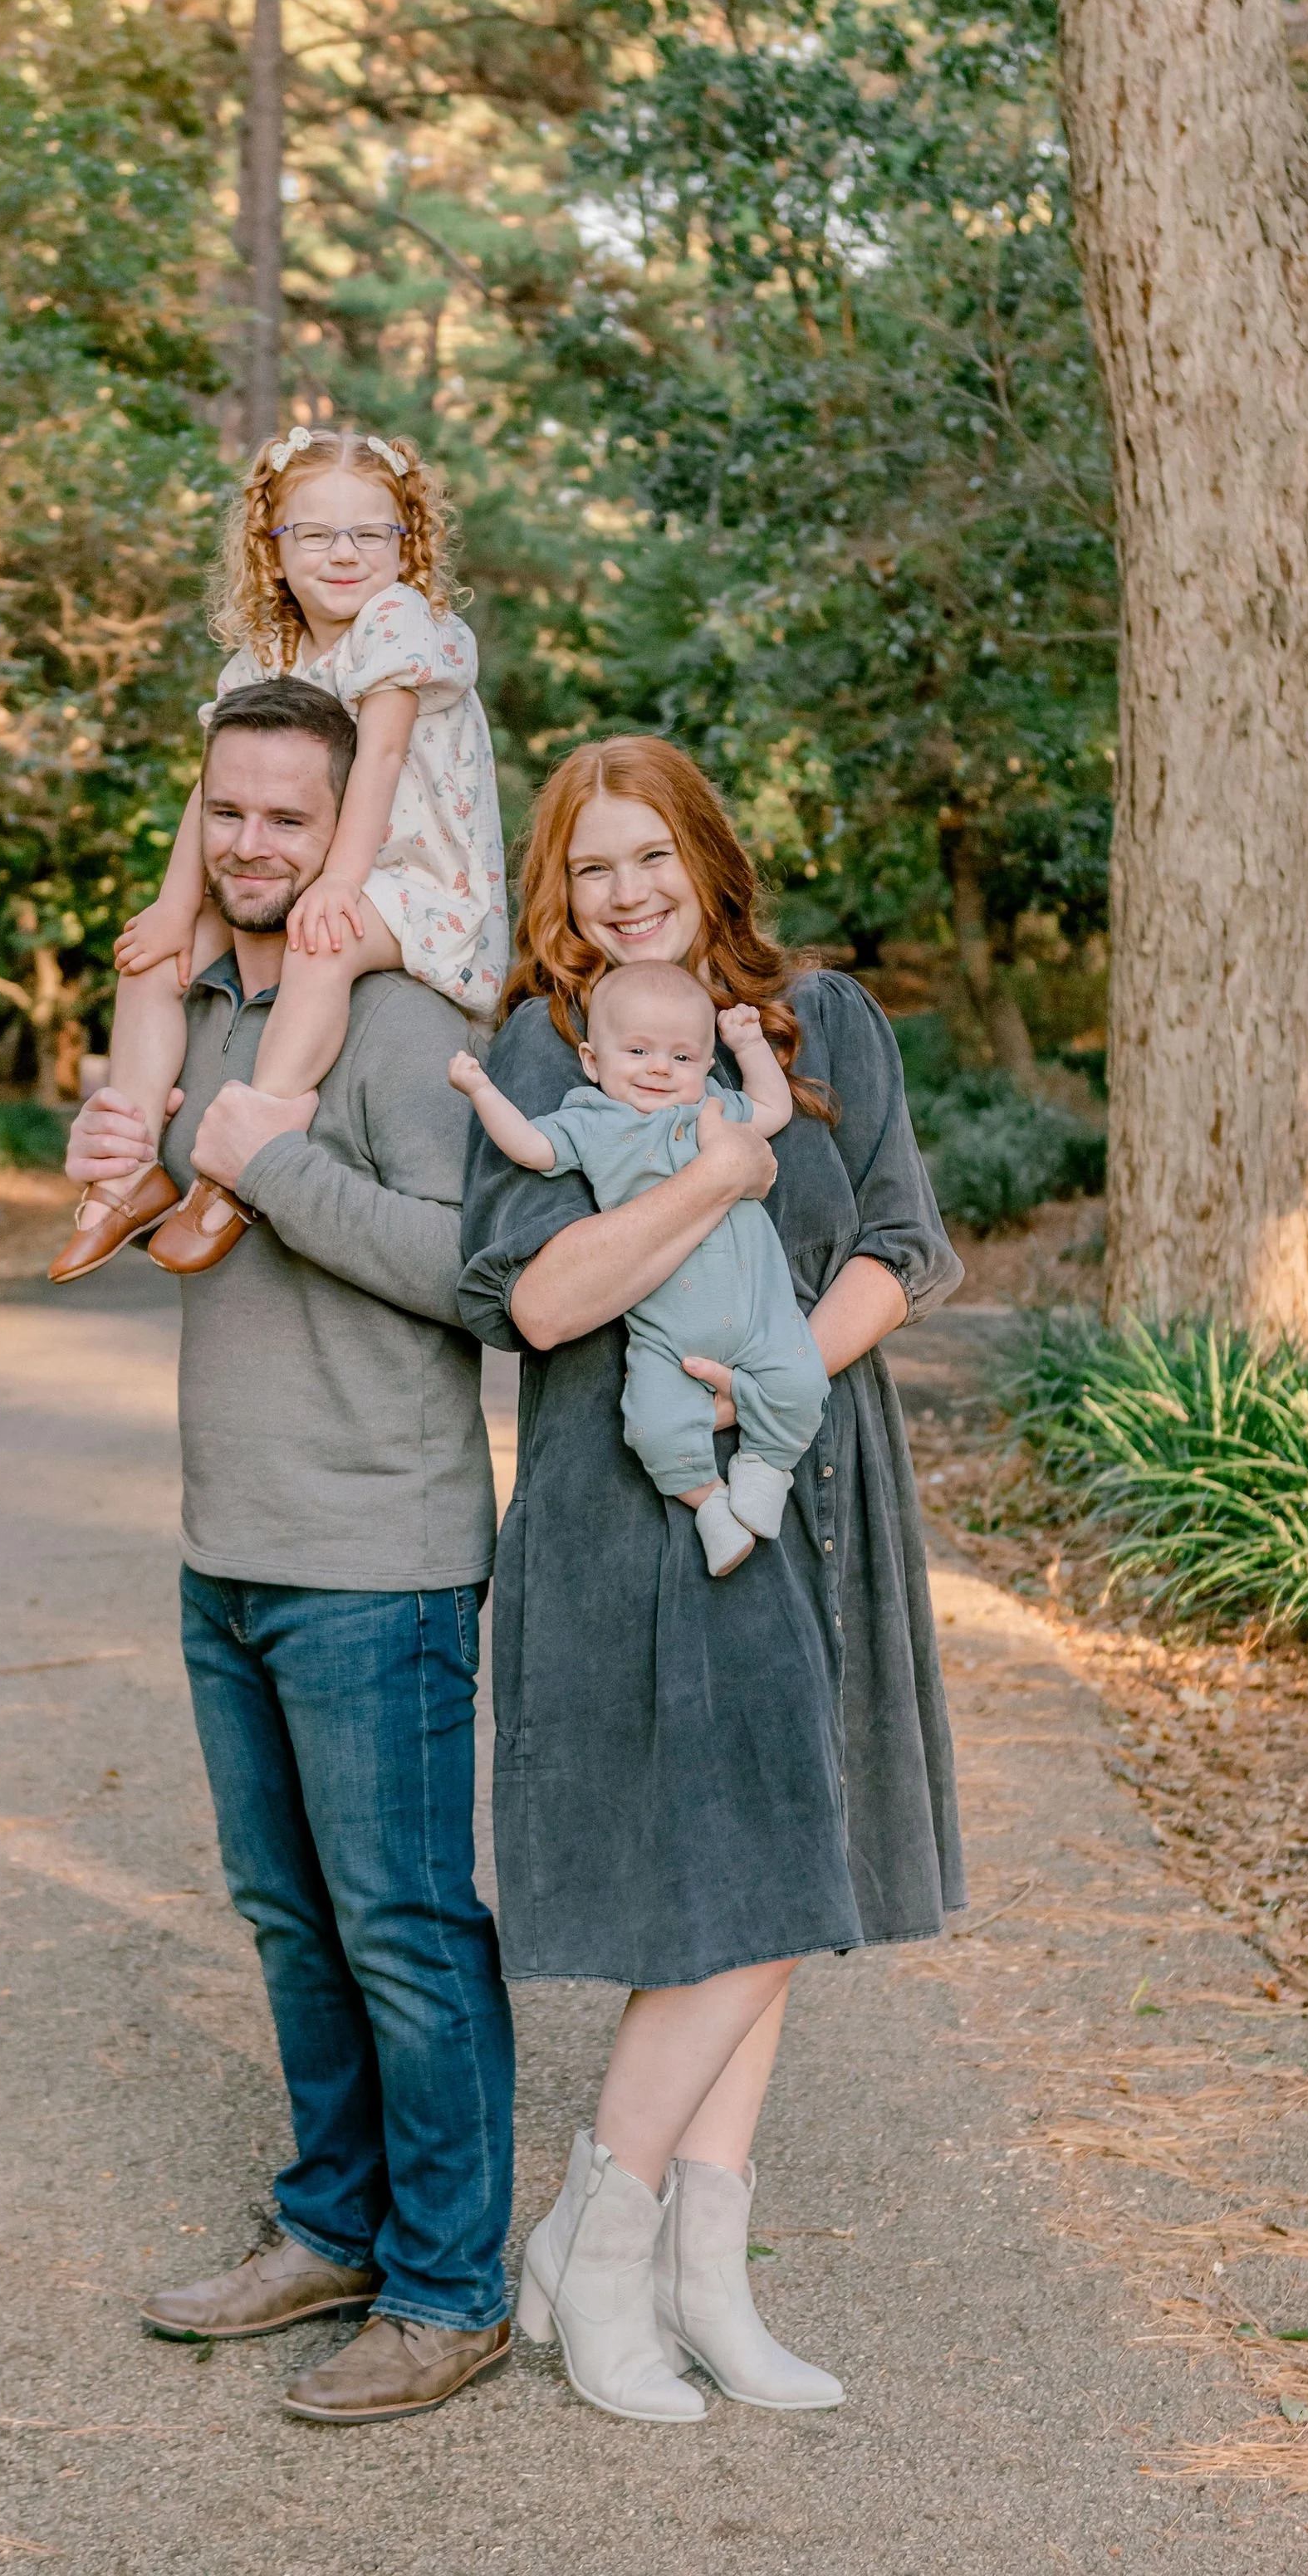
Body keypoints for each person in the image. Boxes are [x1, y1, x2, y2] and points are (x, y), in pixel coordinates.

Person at [457, 735, 965, 2426]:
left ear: (707, 859)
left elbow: (900, 1242)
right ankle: (599, 2255)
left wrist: (776, 1387)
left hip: (815, 1483)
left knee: (782, 1886)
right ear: (559, 888)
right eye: (590, 867)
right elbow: (534, 1300)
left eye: (648, 859)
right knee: (732, 1883)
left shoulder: (826, 1024)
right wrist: (712, 1180)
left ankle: (700, 2274)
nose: (622, 893)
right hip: (635, 1507)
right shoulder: (548, 1044)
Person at [62, 676, 514, 2427]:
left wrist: (269, 1156)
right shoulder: (200, 1007)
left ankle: (448, 2286)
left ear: (351, 833)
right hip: (226, 1543)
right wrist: (142, 1135)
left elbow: (477, 1275)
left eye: (290, 820)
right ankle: (332, 2225)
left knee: (403, 1927)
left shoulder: (399, 1023)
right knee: (289, 1919)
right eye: (229, 813)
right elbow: (161, 1196)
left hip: (376, 1555)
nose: (255, 845)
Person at [51, 423, 507, 1284]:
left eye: (370, 532)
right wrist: (172, 904)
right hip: (333, 863)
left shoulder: (400, 621)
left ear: (407, 543)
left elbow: (377, 757)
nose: (343, 554)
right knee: (153, 956)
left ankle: (238, 1167)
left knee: (318, 943)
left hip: (415, 876)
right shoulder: (271, 651)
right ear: (274, 544)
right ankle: (129, 1165)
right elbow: (210, 785)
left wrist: (338, 883)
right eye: (315, 532)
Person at [449, 963, 828, 1575]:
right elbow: (526, 1145)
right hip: (663, 1332)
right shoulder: (589, 1122)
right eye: (637, 1050)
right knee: (650, 1425)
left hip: (760, 1314)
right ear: (592, 1061)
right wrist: (481, 1091)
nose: (658, 1067)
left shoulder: (711, 1110)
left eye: (681, 1056)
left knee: (802, 1385)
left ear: (705, 1069)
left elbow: (772, 1108)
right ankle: (711, 1505)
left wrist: (749, 1045)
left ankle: (767, 1468)